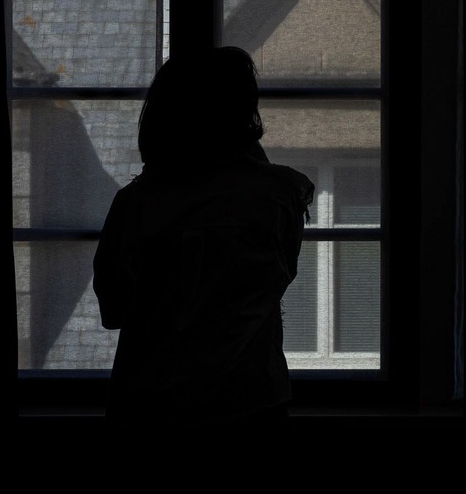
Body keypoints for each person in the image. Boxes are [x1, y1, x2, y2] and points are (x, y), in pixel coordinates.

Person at [92, 48, 313, 431]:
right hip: (252, 399)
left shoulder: (138, 204)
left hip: (151, 405)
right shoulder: (282, 195)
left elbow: (113, 311)